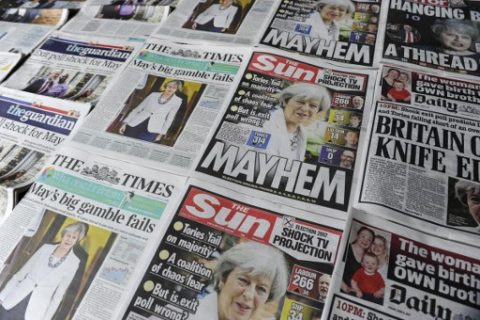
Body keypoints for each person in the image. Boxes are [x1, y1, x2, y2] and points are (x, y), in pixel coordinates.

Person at [0, 222, 87, 320]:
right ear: (63, 235)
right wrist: (2, 296)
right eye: (68, 235)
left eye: (73, 237)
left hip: (35, 312)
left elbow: (58, 296)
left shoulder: (74, 262)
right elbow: (20, 274)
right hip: (13, 300)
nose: (69, 239)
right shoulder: (45, 248)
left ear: (77, 241)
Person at [191, 242, 289, 320]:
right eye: (243, 280)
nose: (249, 295)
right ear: (222, 280)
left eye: (261, 289)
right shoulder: (189, 314)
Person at [263, 83, 331, 160]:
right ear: (286, 101)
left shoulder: (301, 133)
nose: (305, 109)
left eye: (313, 106)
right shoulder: (264, 124)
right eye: (300, 102)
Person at [119, 79, 183, 142]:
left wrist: (161, 134)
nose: (170, 89)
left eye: (174, 88)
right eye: (169, 86)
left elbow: (170, 119)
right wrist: (125, 123)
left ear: (176, 90)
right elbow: (137, 109)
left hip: (153, 129)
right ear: (166, 86)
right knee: (125, 141)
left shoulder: (177, 101)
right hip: (136, 123)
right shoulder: (153, 95)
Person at [341, 226, 374, 294]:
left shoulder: (368, 258)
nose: (365, 240)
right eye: (363, 236)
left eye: (369, 239)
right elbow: (333, 268)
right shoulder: (346, 248)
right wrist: (345, 287)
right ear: (357, 236)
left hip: (356, 293)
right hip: (341, 288)